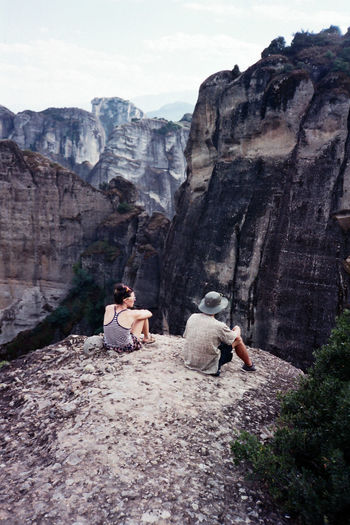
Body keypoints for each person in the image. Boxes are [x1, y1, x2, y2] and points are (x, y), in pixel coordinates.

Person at [183, 291, 255, 376]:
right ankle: (249, 365)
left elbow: (185, 335)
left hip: (189, 361)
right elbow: (234, 338)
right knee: (238, 339)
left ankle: (249, 365)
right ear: (218, 308)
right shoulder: (219, 326)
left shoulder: (193, 317)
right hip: (207, 366)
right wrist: (237, 329)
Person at [103, 283, 155, 353]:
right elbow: (149, 313)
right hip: (125, 348)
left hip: (108, 345)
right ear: (126, 300)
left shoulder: (108, 308)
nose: (134, 300)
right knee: (142, 317)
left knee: (130, 321)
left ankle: (145, 337)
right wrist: (140, 312)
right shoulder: (130, 313)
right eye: (133, 298)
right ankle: (146, 338)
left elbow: (117, 306)